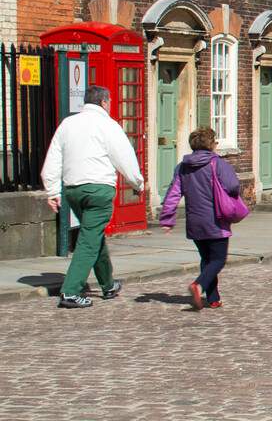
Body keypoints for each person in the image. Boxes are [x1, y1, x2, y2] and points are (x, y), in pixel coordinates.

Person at [40, 84, 144, 309]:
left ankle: (108, 285)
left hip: (73, 190)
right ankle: (70, 291)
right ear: (104, 102)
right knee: (89, 239)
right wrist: (137, 183)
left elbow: (54, 158)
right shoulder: (108, 125)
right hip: (99, 190)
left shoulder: (67, 124)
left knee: (92, 234)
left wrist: (52, 191)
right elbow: (124, 157)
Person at [157, 126, 244, 309]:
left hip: (194, 221)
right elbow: (233, 186)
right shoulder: (218, 164)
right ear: (212, 144)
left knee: (206, 258)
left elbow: (173, 193)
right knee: (218, 259)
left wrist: (167, 218)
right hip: (215, 219)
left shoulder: (182, 167)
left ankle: (213, 299)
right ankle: (199, 285)